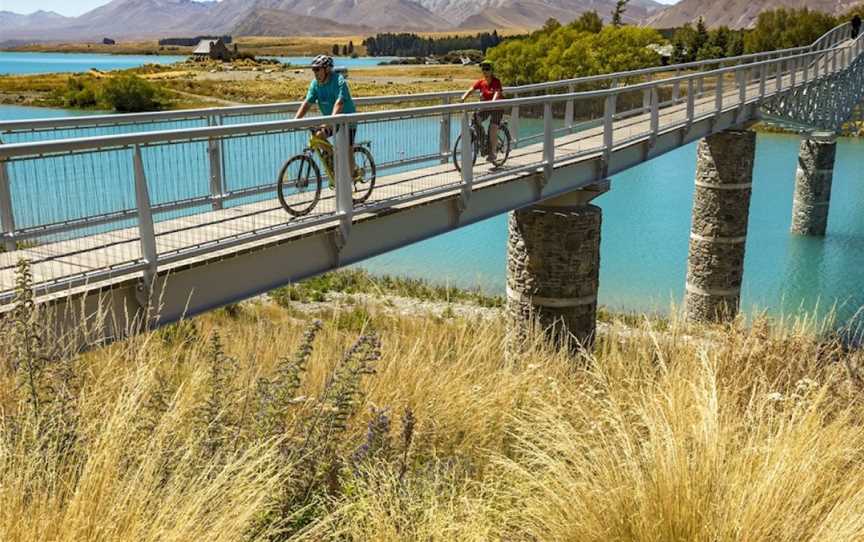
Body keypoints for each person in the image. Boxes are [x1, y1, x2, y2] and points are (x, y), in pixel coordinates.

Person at [294, 55, 358, 167]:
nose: (315, 72)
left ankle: (352, 175)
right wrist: (295, 120)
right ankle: (335, 157)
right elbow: (307, 103)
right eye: (313, 69)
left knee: (347, 151)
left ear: (327, 69)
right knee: (318, 136)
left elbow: (339, 102)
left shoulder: (338, 80)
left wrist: (329, 121)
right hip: (331, 120)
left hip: (348, 120)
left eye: (317, 69)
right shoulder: (315, 84)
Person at [460, 60, 504, 162]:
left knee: (493, 128)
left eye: (487, 69)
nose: (485, 71)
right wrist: (463, 97)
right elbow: (471, 89)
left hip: (496, 107)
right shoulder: (481, 82)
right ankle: (483, 139)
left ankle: (493, 153)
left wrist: (493, 101)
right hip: (485, 107)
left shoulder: (496, 81)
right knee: (476, 120)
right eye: (483, 69)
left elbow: (497, 92)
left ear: (492, 70)